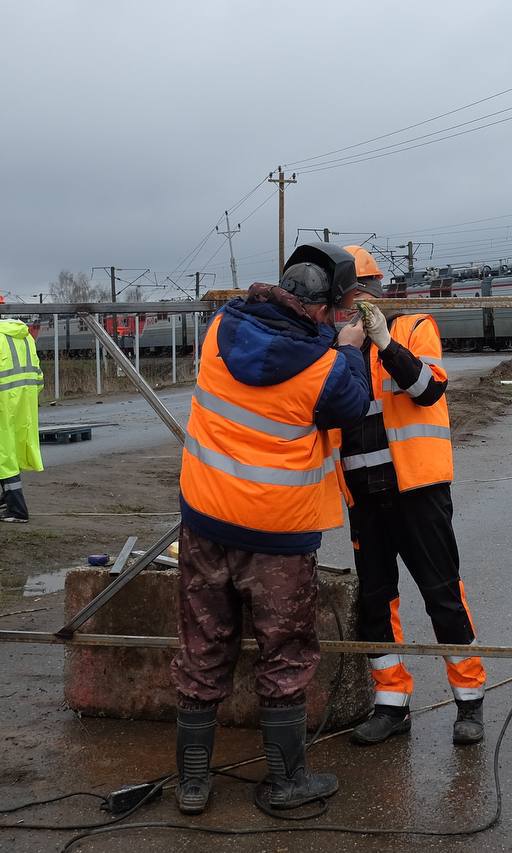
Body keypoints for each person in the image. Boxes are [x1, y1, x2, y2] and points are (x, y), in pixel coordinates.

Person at [171, 243, 370, 816]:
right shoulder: (326, 369)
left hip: (206, 520)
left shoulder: (218, 330)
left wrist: (326, 337)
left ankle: (192, 783)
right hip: (277, 537)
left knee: (202, 645)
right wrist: (350, 346)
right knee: (284, 654)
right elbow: (353, 404)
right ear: (323, 309)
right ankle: (286, 782)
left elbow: (278, 339)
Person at [335, 244, 487, 747]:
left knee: (442, 595)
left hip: (417, 491)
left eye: (355, 297)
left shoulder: (413, 327)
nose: (349, 308)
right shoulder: (331, 345)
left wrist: (383, 342)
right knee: (376, 603)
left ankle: (469, 701)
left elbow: (427, 389)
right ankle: (391, 704)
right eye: (343, 300)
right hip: (363, 496)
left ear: (372, 293)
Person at [0, 303, 43, 523]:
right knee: (11, 451)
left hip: (3, 403)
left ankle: (17, 510)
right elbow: (38, 375)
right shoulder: (25, 336)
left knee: (4, 454)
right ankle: (6, 501)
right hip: (24, 402)